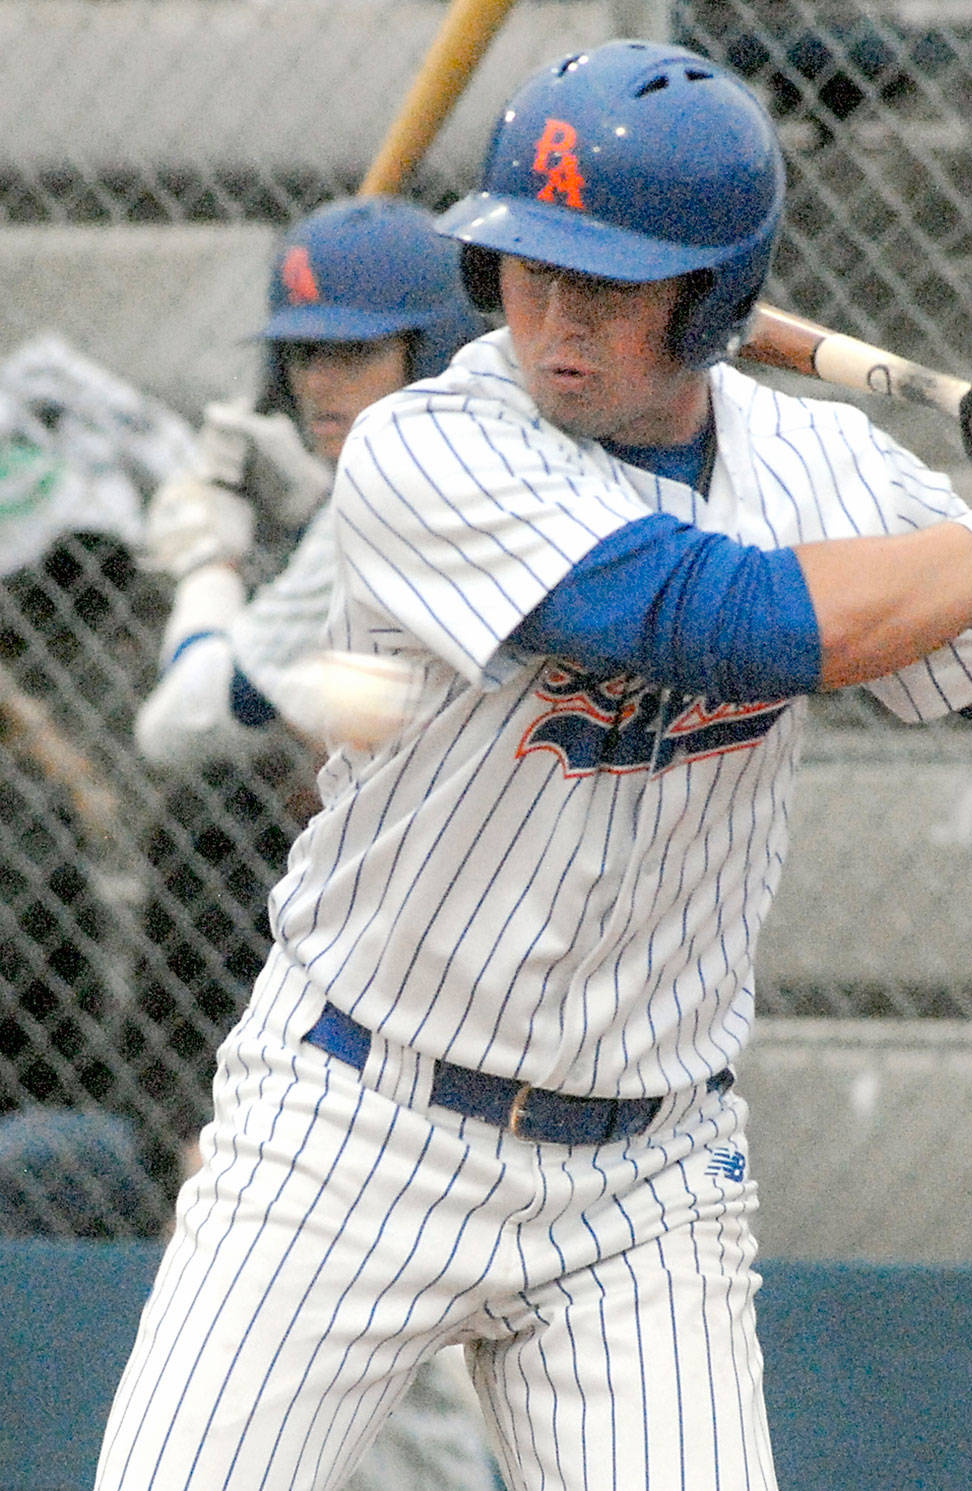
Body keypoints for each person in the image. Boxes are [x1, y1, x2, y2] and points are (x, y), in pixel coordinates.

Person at [96, 40, 972, 1491]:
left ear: (711, 299)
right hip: (351, 1122)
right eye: (527, 271)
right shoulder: (425, 448)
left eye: (602, 284)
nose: (552, 322)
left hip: (646, 1179)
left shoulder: (816, 464)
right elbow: (732, 624)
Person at [121, 195, 497, 1491]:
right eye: (307, 354)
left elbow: (181, 719)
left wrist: (209, 565)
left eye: (360, 350)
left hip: (445, 1014)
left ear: (435, 348)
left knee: (398, 1416)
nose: (322, 379)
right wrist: (297, 489)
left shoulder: (394, 500)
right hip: (430, 988)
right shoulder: (466, 468)